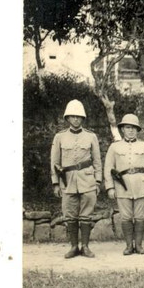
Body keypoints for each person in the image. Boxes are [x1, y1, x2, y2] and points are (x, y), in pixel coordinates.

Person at [50, 100, 103, 259]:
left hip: (87, 180)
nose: (76, 119)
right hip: (67, 181)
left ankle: (85, 246)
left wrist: (98, 181)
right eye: (72, 116)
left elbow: (97, 161)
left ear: (83, 118)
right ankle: (74, 247)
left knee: (86, 214)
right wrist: (55, 183)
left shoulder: (91, 136)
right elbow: (54, 162)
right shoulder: (59, 137)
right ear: (67, 118)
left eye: (79, 117)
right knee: (70, 215)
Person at [104, 114, 144, 255]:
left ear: (137, 130)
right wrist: (110, 187)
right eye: (128, 127)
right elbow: (108, 168)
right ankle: (129, 245)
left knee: (140, 216)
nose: (131, 131)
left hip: (141, 185)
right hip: (122, 186)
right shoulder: (114, 147)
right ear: (122, 129)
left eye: (134, 128)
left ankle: (139, 245)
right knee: (126, 217)